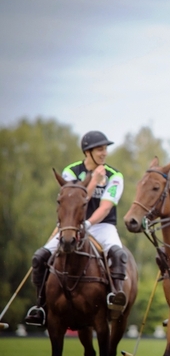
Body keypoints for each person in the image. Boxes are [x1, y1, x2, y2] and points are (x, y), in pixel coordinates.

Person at [25, 131, 128, 326]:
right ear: (87, 152)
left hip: (101, 225)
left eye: (105, 149)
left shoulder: (115, 175)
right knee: (39, 257)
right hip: (70, 226)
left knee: (118, 254)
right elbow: (74, 200)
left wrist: (87, 225)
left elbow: (105, 207)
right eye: (99, 149)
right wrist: (93, 182)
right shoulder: (71, 172)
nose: (104, 153)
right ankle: (40, 306)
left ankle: (115, 296)